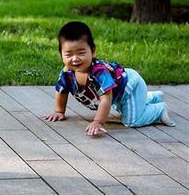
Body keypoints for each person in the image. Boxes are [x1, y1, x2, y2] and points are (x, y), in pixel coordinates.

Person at [44, 21, 175, 137]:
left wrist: (97, 122)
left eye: (81, 53)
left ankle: (159, 110)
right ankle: (150, 97)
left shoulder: (99, 72)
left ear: (93, 51)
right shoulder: (67, 74)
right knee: (124, 108)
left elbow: (106, 99)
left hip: (130, 85)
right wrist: (59, 111)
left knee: (131, 120)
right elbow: (61, 91)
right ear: (61, 55)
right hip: (118, 93)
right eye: (69, 54)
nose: (75, 58)